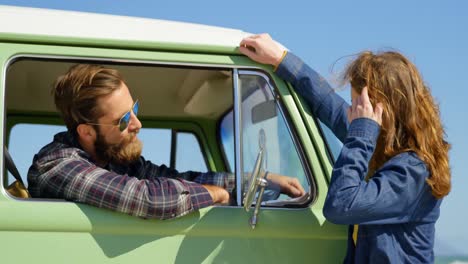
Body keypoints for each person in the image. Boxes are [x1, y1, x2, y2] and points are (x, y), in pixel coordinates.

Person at [240, 34, 450, 263]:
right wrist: (281, 60)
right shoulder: (383, 148)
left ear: (388, 110)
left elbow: (341, 204)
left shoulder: (414, 172)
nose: (353, 112)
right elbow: (326, 103)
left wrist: (362, 132)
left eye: (360, 106)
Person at [27, 64, 305, 220]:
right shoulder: (57, 167)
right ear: (87, 132)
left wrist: (260, 179)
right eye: (124, 120)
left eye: (134, 109)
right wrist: (216, 195)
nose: (137, 124)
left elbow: (180, 178)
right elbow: (147, 199)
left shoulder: (116, 160)